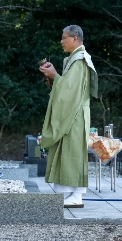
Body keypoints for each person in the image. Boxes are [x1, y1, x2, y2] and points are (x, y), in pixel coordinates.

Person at [39, 25, 98, 208]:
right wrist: (55, 74)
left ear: (75, 39)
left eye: (64, 37)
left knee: (73, 152)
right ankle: (73, 194)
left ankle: (77, 195)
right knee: (69, 151)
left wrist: (55, 75)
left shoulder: (80, 60)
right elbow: (68, 86)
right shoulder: (75, 58)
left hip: (75, 114)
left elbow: (69, 90)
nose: (61, 41)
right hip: (74, 112)